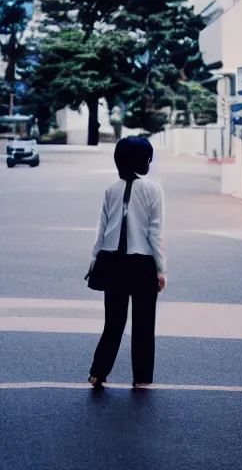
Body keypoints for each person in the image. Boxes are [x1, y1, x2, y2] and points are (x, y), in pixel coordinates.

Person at [88, 136, 166, 389]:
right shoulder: (154, 190)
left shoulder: (111, 190)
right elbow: (155, 233)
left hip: (112, 262)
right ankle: (141, 378)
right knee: (144, 322)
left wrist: (94, 259)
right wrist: (161, 269)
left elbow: (102, 228)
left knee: (113, 322)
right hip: (142, 263)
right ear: (144, 160)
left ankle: (98, 372)